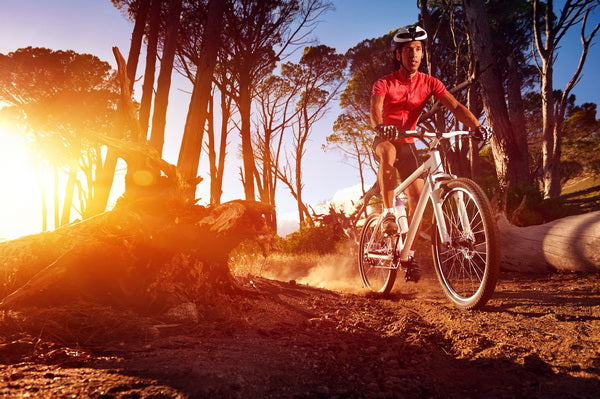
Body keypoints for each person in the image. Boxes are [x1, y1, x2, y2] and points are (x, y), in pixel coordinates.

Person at [370, 24, 491, 279]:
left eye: (418, 50)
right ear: (398, 55)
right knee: (388, 155)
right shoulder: (384, 83)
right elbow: (375, 110)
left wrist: (477, 126)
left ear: (422, 54)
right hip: (386, 140)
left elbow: (456, 106)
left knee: (418, 198)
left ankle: (408, 255)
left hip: (410, 143)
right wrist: (381, 127)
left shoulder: (430, 82)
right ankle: (389, 212)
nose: (413, 55)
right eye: (407, 51)